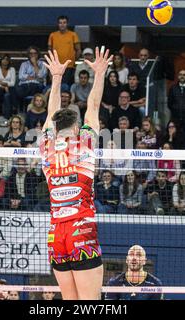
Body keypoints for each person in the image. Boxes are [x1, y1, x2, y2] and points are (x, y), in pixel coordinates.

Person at [39, 48, 112, 300]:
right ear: (77, 128)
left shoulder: (45, 147)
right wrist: (100, 73)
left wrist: (57, 77)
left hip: (56, 235)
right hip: (81, 229)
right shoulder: (86, 143)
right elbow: (93, 104)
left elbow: (50, 114)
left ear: (55, 128)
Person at [48, 15, 81, 86]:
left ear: (67, 24)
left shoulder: (73, 35)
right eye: (60, 23)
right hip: (56, 66)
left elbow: (78, 50)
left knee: (65, 86)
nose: (62, 24)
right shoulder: (53, 35)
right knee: (56, 85)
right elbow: (49, 51)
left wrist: (74, 61)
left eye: (64, 22)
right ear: (58, 24)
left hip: (68, 66)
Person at [15, 46, 47, 111]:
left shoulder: (43, 64)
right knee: (16, 91)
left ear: (38, 54)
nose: (33, 55)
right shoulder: (24, 64)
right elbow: (21, 76)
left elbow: (41, 76)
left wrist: (35, 64)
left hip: (37, 86)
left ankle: (30, 108)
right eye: (31, 53)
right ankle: (21, 110)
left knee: (34, 86)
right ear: (28, 55)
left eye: (35, 53)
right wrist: (34, 77)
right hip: (24, 86)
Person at [0, 54, 16, 124]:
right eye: (3, 59)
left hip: (10, 89)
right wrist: (5, 85)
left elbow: (13, 83)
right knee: (3, 93)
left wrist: (1, 82)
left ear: (9, 61)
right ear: (1, 60)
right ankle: (9, 114)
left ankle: (4, 113)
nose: (5, 61)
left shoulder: (12, 69)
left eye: (7, 59)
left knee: (7, 96)